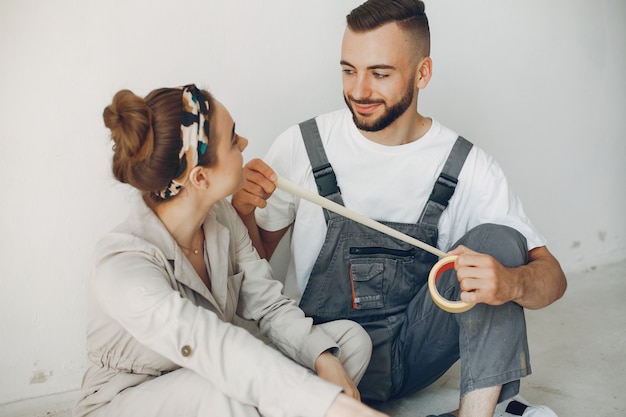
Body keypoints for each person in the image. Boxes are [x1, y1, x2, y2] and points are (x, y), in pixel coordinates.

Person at [231, 1, 567, 417]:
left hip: (413, 356)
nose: (358, 90)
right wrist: (243, 210)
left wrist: (511, 283)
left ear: (422, 73)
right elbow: (256, 265)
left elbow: (553, 277)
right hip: (323, 356)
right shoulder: (304, 144)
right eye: (348, 69)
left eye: (380, 73)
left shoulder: (466, 166)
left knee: (498, 242)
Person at [73, 84, 390, 417]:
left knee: (349, 343)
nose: (244, 144)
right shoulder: (122, 263)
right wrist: (331, 405)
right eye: (233, 138)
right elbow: (211, 344)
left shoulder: (221, 217)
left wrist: (323, 359)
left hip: (211, 376)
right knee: (221, 393)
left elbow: (269, 306)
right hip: (130, 399)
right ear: (199, 177)